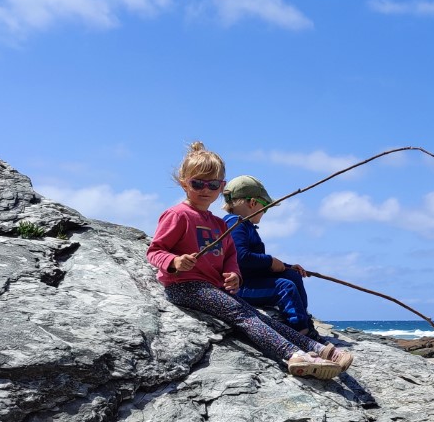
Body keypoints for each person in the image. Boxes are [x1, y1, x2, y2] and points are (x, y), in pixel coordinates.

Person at [146, 142, 352, 379]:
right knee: (244, 316)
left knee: (259, 316)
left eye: (213, 184)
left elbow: (231, 256)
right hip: (185, 286)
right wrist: (175, 261)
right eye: (197, 183)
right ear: (184, 183)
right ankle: (293, 354)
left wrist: (234, 275)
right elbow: (155, 250)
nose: (206, 190)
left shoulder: (219, 223)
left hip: (212, 288)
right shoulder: (177, 215)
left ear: (221, 186)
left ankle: (318, 349)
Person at [220, 174, 319, 338]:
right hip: (240, 287)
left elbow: (256, 262)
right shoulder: (235, 224)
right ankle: (301, 333)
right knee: (285, 287)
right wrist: (270, 261)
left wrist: (286, 267)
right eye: (265, 207)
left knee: (292, 275)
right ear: (252, 203)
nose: (265, 212)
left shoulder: (245, 225)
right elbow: (242, 258)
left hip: (250, 280)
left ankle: (305, 321)